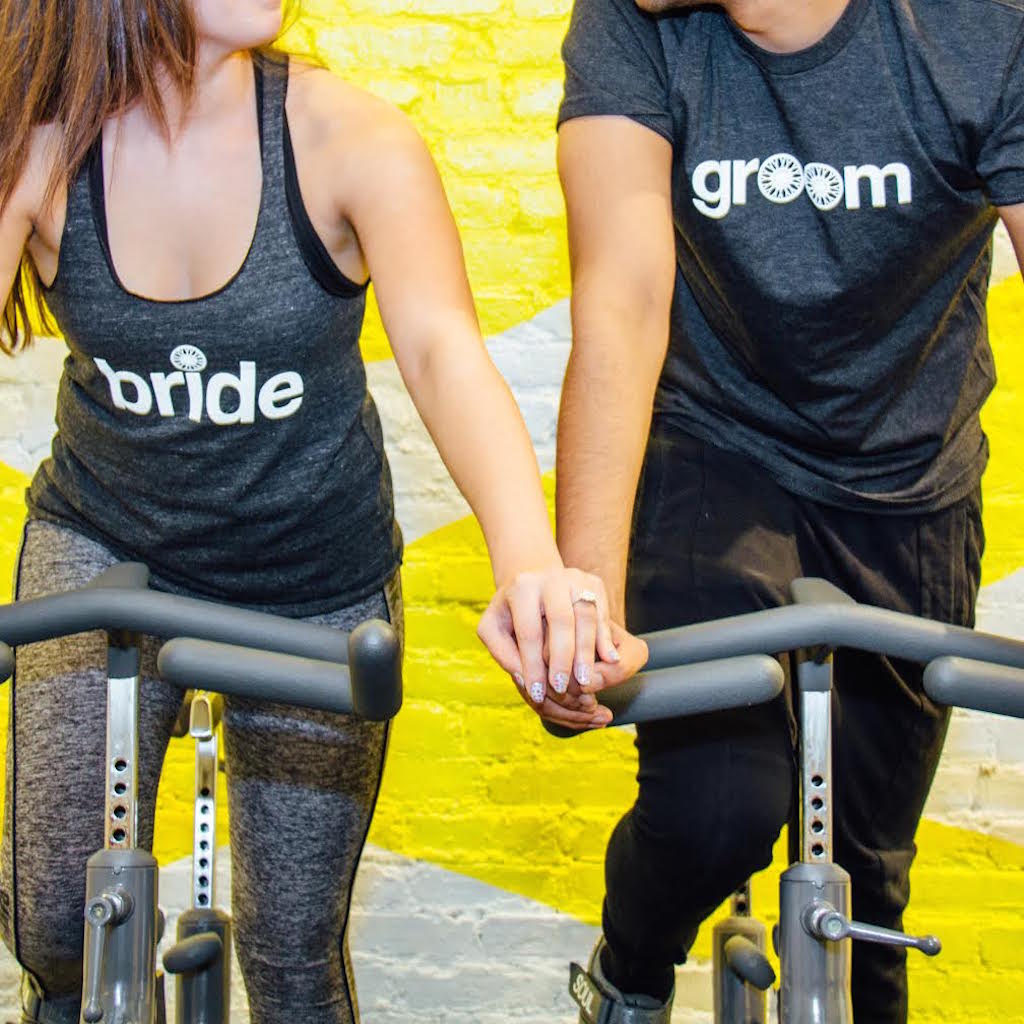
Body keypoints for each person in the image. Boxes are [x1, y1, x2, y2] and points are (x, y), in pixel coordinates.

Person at [0, 1, 618, 1021]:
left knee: (290, 956)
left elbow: (443, 352)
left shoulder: (353, 141)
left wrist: (529, 561)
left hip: (310, 574)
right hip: (106, 547)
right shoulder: (40, 149)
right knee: (57, 925)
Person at [551, 0, 1024, 1019]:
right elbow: (622, 300)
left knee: (864, 879)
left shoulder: (981, 26)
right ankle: (626, 975)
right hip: (717, 449)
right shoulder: (631, 20)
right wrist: (581, 600)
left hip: (909, 477)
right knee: (714, 809)